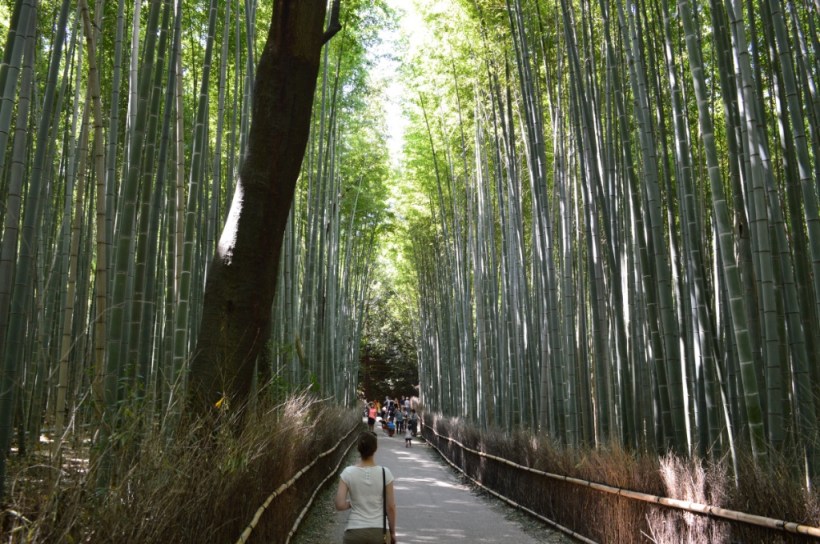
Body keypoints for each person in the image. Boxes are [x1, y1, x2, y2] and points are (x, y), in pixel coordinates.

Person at [335, 432, 397, 543]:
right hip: (379, 532)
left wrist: (354, 502)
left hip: (354, 532)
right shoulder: (385, 473)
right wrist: (392, 532)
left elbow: (339, 505)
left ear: (358, 448)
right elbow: (390, 507)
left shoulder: (347, 473)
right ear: (376, 448)